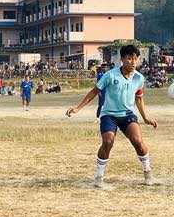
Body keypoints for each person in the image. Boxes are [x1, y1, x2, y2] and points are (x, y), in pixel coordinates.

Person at [65, 44, 158, 188]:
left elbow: (139, 98)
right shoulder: (111, 75)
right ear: (122, 59)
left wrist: (145, 118)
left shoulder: (139, 78)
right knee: (108, 141)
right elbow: (94, 91)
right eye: (130, 59)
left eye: (136, 59)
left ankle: (148, 173)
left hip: (127, 115)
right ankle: (98, 177)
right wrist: (78, 108)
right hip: (109, 115)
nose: (133, 62)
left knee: (138, 141)